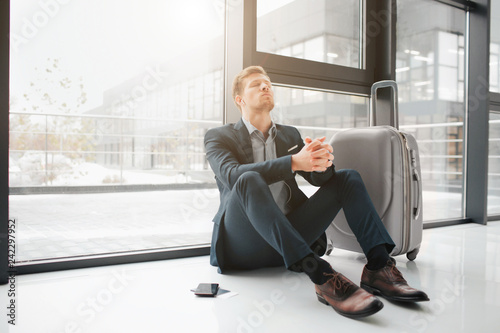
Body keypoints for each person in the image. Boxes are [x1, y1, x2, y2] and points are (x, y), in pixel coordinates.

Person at [204, 66, 429, 319]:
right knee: (248, 179)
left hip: (290, 237)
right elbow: (232, 175)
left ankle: (379, 266)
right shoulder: (218, 136)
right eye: (256, 84)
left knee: (347, 177)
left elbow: (318, 179)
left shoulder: (289, 134)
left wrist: (322, 161)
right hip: (244, 243)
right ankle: (321, 274)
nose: (266, 86)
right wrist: (293, 162)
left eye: (268, 82)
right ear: (239, 99)